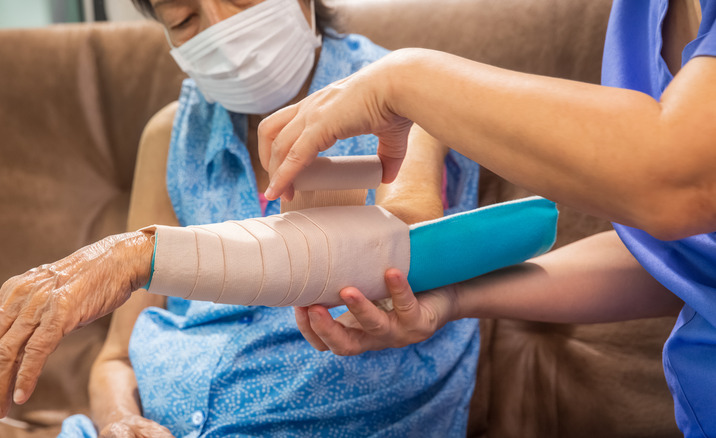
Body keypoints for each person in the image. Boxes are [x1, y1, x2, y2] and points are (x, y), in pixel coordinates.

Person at [0, 0, 482, 436]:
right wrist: (122, 420)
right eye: (184, 19)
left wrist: (138, 255)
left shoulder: (400, 95)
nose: (223, 32)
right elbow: (116, 357)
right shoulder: (172, 136)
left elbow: (404, 249)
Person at [258, 0, 716, 436]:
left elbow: (681, 183)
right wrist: (454, 297)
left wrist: (402, 81)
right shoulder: (639, 15)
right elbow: (683, 256)